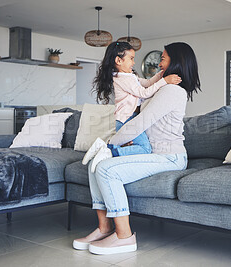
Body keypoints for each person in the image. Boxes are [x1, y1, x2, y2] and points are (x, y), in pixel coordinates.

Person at [73, 42, 201, 255]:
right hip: (151, 151)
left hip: (169, 156)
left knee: (105, 168)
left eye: (164, 57)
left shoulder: (172, 91)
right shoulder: (161, 86)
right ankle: (104, 228)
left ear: (176, 62)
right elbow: (141, 117)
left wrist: (112, 143)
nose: (159, 62)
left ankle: (124, 236)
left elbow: (142, 121)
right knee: (95, 166)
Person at [82, 42, 182, 172]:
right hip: (127, 119)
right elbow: (144, 93)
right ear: (118, 60)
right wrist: (165, 81)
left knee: (139, 147)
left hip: (129, 117)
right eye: (131, 58)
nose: (133, 62)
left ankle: (103, 147)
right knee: (145, 149)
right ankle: (109, 150)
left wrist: (160, 75)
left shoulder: (130, 76)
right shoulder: (122, 78)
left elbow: (147, 83)